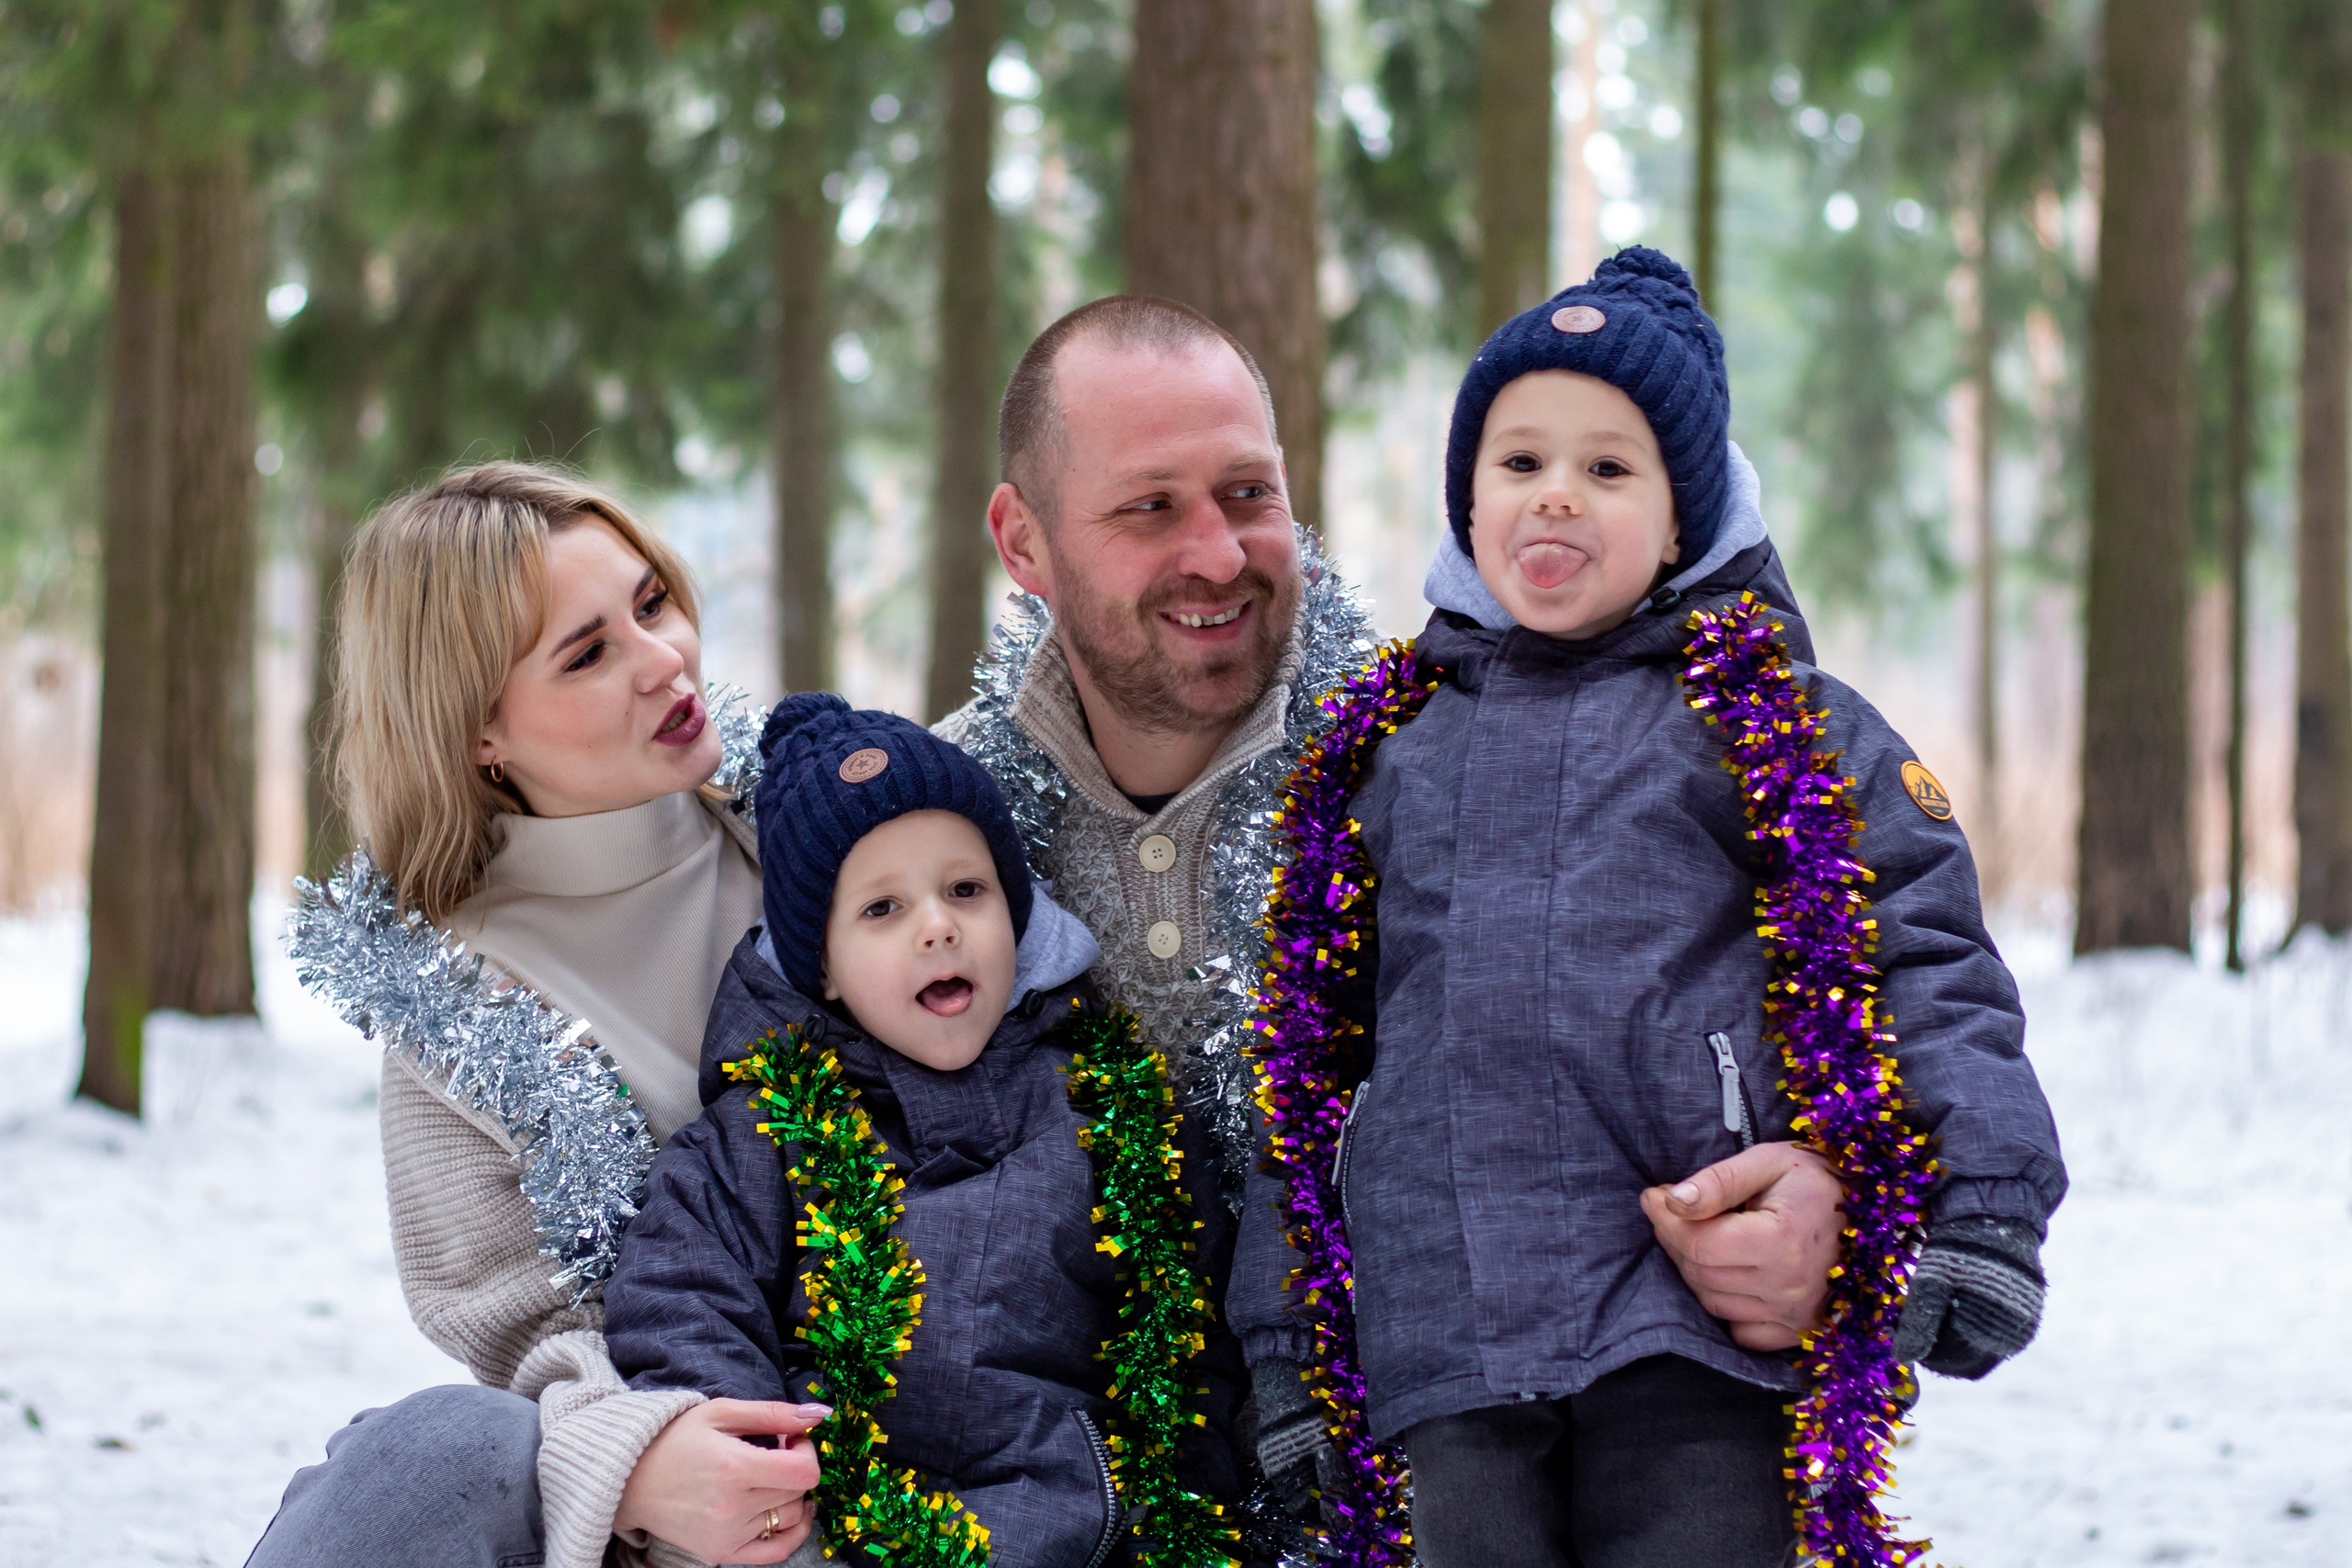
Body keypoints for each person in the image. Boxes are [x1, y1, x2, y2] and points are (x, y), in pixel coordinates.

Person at [935, 293, 1862, 1507]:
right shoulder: (933, 838)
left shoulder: (1434, 754)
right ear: (1024, 541)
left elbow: (1796, 991)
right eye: (1149, 506)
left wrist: (1825, 1201)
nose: (1217, 553)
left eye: (1249, 493)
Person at [1231, 248, 2068, 1566]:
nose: (1556, 492)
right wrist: (1286, 1349)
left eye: (1609, 468)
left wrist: (1985, 1203)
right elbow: (1310, 1069)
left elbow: (1927, 956)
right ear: (1467, 503)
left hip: (1686, 1318)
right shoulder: (1393, 750)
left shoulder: (1775, 725)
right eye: (1519, 463)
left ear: (1686, 517)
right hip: (1447, 1325)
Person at [259, 463, 823, 1568]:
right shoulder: (455, 1004)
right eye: (588, 652)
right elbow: (521, 1334)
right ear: (481, 733)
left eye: (651, 603)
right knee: (426, 1455)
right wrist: (638, 1461)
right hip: (700, 1498)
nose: (664, 659)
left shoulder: (829, 834)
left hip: (956, 1426)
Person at [602, 695, 1245, 1568]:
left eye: (966, 890)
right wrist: (756, 1467)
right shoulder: (761, 1133)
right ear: (820, 967)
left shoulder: (1109, 1104)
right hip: (839, 1527)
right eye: (882, 909)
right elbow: (684, 1295)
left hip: (1082, 1526)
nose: (937, 924)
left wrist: (1185, 1499)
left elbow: (1193, 1319)